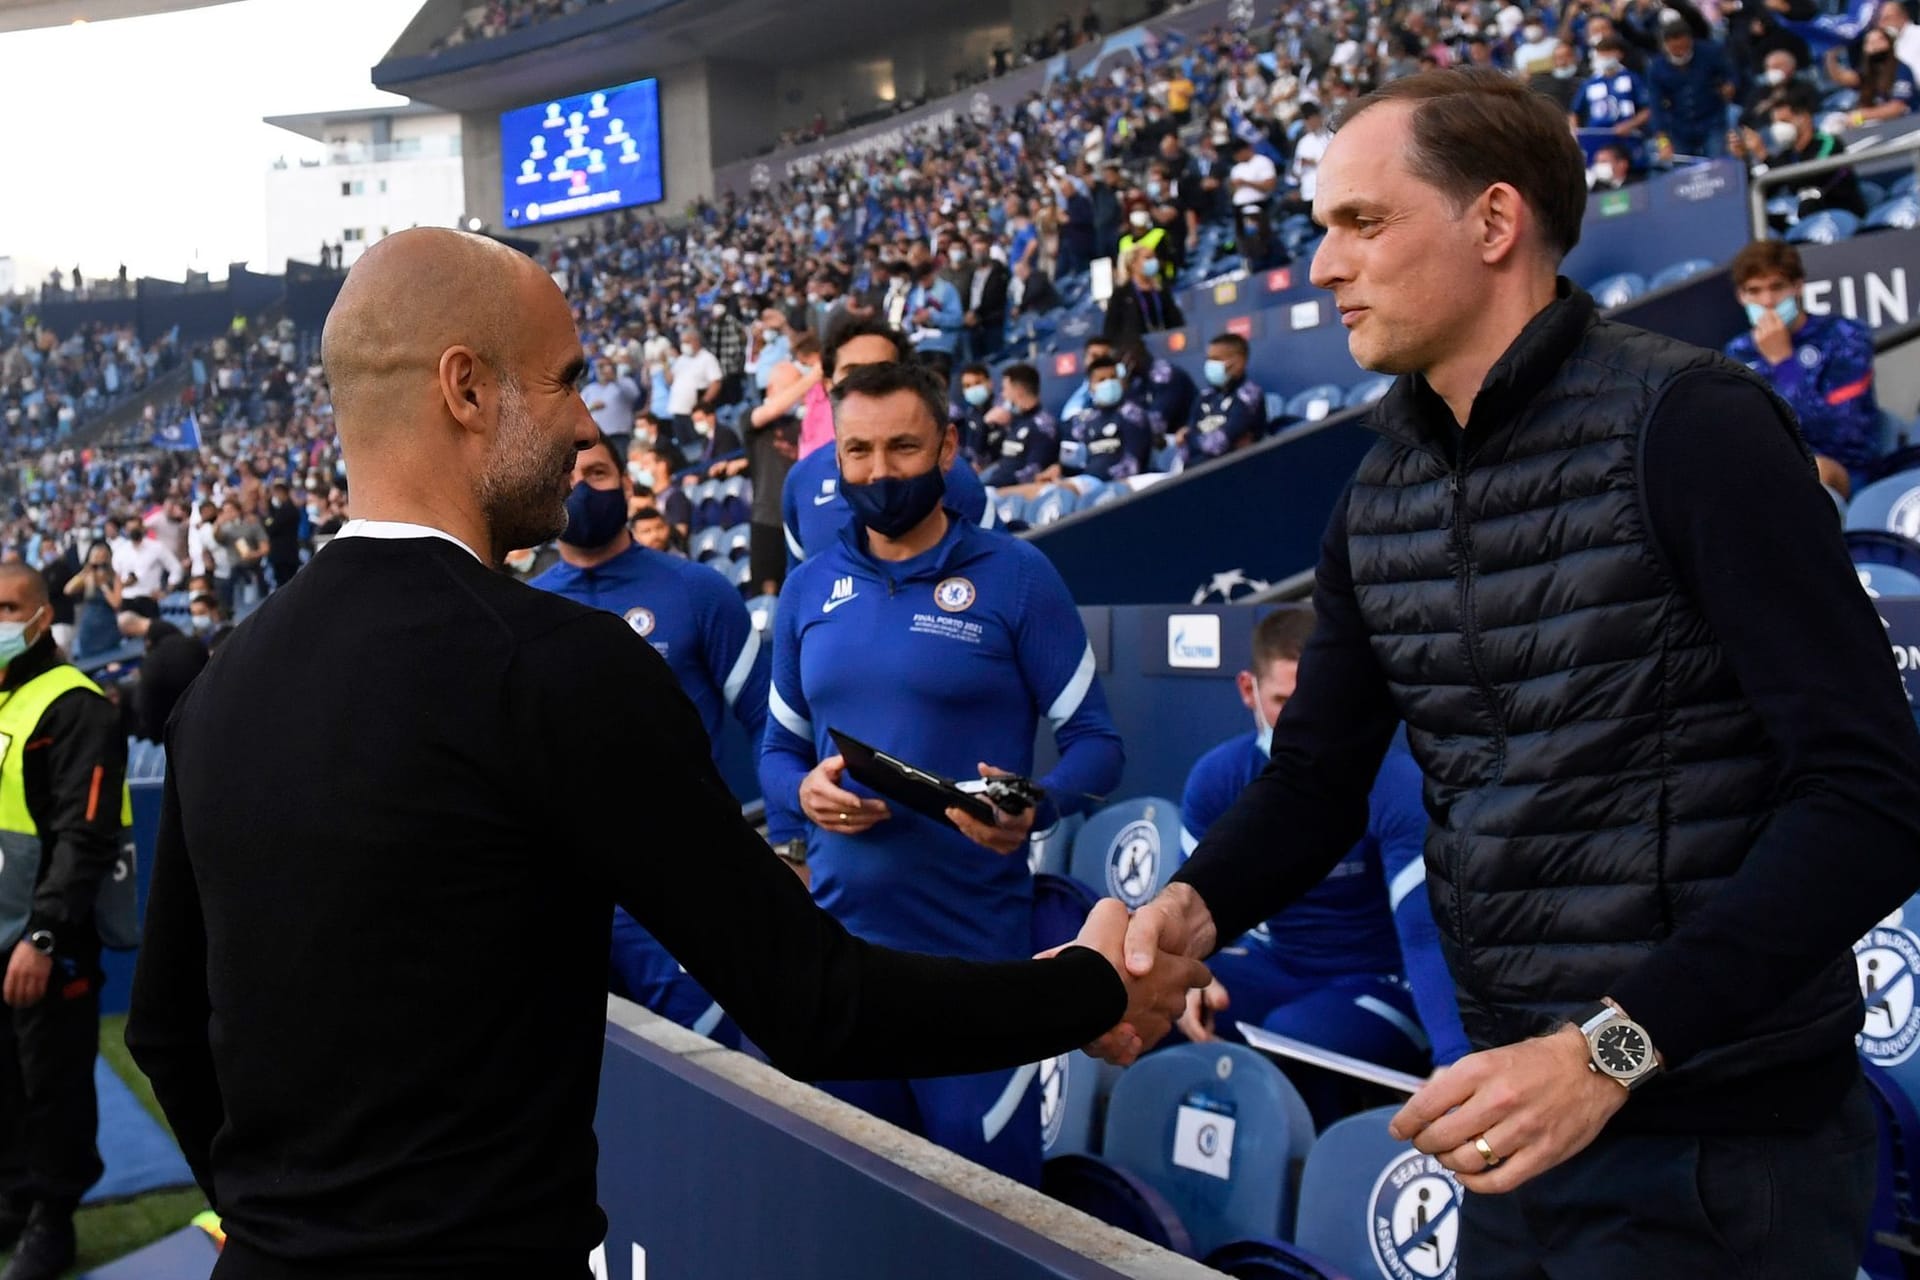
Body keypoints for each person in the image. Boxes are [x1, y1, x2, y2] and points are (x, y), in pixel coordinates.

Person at [124, 228, 1205, 1279]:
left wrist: (290, 1225)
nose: (586, 423)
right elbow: (811, 1001)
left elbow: (169, 1028)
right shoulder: (557, 665)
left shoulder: (226, 682)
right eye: (565, 381)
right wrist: (1081, 989)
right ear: (465, 389)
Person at [1100, 71, 1920, 1274]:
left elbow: (1871, 799)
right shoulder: (1378, 493)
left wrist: (1609, 1052)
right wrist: (1184, 911)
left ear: (1494, 222)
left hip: (1720, 1150)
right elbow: (1314, 781)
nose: (1325, 268)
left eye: (1362, 223)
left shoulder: (1694, 425)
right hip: (1509, 1125)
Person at [760, 358, 1126, 1186]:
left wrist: (1039, 804)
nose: (880, 472)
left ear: (949, 446)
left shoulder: (1018, 578)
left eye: (902, 448)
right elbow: (777, 755)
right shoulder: (811, 588)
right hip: (846, 969)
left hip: (980, 974)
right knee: (860, 1229)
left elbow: (1098, 744)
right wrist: (801, 794)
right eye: (858, 453)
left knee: (986, 1226)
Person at [1176, 608, 1469, 1123]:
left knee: (1295, 1037)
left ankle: (1314, 1187)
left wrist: (1454, 1058)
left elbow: (1425, 935)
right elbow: (1187, 910)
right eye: (1281, 701)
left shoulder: (1395, 785)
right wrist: (1185, 975)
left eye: (1311, 701)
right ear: (1248, 691)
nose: (1298, 721)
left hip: (1380, 983)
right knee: (1155, 1001)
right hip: (1279, 968)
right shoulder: (1218, 776)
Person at [531, 430, 770, 1047]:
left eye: (601, 476)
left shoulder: (697, 591)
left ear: (629, 486)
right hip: (564, 898)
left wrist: (791, 847)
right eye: (569, 473)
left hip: (682, 886)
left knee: (721, 1073)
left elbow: (771, 724)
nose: (583, 488)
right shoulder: (523, 607)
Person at [0, 565, 126, 1280]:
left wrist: (43, 935)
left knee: (52, 1084)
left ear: (42, 617)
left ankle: (53, 1221)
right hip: (0, 932)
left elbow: (86, 836)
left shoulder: (76, 706)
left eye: (7, 607)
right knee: (4, 1083)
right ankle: (14, 1197)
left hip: (49, 945)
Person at [780, 320, 993, 568]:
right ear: (828, 386)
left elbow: (997, 571)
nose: (868, 385)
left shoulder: (949, 471)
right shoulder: (801, 480)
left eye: (883, 371)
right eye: (852, 373)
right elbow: (802, 588)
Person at [1724, 239, 1881, 494]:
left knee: (1814, 471)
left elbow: (1842, 434)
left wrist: (1784, 364)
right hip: (1769, 470)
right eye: (1754, 290)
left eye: (1777, 287)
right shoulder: (1737, 352)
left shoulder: (1843, 335)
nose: (1767, 301)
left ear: (1797, 287)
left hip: (1843, 470)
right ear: (1741, 297)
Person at [745, 331, 815, 592]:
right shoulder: (754, 419)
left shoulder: (806, 422)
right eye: (792, 388)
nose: (799, 395)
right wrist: (811, 376)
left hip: (803, 515)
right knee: (767, 590)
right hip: (767, 516)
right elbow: (772, 410)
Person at [1739, 82, 1868, 221]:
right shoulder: (1789, 154)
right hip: (1809, 218)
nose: (1778, 128)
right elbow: (1766, 190)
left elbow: (1807, 176)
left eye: (1784, 121)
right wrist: (1743, 158)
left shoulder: (1829, 143)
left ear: (1804, 118)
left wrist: (1763, 155)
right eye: (1775, 123)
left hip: (1841, 214)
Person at [1045, 356, 1153, 484]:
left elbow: (1133, 463)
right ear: (1090, 387)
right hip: (1086, 482)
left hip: (1121, 484)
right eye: (1102, 380)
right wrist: (1058, 468)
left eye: (1113, 377)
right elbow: (1066, 455)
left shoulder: (1133, 415)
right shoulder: (1083, 420)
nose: (1109, 383)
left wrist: (1094, 482)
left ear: (1121, 381)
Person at [1646, 17, 1734, 156]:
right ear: (1666, 45)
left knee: (1718, 162)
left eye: (1683, 47)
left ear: (1690, 40)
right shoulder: (1656, 67)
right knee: (1681, 168)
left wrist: (1729, 85)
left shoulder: (1709, 52)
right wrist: (1663, 141)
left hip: (1712, 120)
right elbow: (1656, 105)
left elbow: (1731, 73)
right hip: (1679, 126)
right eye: (1675, 48)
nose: (1680, 51)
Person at [1183, 333, 1268, 466]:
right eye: (1208, 360)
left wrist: (1192, 439)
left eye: (1216, 359)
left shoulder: (1249, 395)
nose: (1210, 365)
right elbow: (1187, 443)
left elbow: (1218, 444)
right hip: (1197, 469)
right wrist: (1190, 439)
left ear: (1239, 362)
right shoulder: (1204, 397)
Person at [978, 364, 1061, 489]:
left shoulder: (1043, 426)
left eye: (1005, 389)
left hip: (1011, 492)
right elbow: (982, 456)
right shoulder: (1014, 421)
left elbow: (1033, 471)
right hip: (994, 482)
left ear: (1019, 391)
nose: (1003, 395)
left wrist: (992, 487)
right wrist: (984, 425)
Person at [130, 620, 207, 746]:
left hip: (170, 732)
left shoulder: (151, 664)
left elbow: (144, 706)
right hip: (204, 713)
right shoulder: (194, 644)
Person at [1826, 24, 1918, 125]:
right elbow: (1841, 77)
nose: (1875, 45)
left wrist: (1861, 115)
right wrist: (1831, 55)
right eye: (1870, 42)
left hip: (1909, 123)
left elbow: (1897, 108)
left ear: (1889, 43)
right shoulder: (1868, 72)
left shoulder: (1901, 69)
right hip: (1882, 126)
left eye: (1880, 40)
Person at [1102, 244, 1185, 341]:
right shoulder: (1122, 293)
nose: (1154, 261)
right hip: (1135, 349)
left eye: (1154, 257)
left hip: (1164, 344)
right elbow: (1111, 328)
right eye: (1148, 258)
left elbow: (1176, 321)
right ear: (1132, 263)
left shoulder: (1161, 290)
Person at [1571, 36, 1651, 135]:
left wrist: (1630, 125)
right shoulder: (1590, 82)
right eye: (1601, 52)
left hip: (1627, 135)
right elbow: (1574, 112)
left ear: (1619, 54)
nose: (1605, 56)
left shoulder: (1632, 78)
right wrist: (1575, 133)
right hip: (1596, 135)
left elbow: (1647, 110)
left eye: (1609, 52)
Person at [63, 544, 121, 661]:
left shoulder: (114, 577)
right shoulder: (87, 577)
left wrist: (103, 585)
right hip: (89, 627)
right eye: (96, 557)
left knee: (112, 661)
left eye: (102, 557)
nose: (99, 560)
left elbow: (116, 603)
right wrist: (84, 572)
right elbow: (68, 590)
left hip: (108, 627)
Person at [667, 328, 722, 448]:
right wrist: (667, 363)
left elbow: (716, 383)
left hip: (696, 413)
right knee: (685, 447)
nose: (684, 345)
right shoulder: (681, 360)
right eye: (682, 342)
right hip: (678, 411)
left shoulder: (707, 358)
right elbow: (670, 380)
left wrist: (702, 405)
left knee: (700, 445)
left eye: (687, 342)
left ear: (696, 341)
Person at [961, 232, 1010, 363]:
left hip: (991, 323)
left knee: (994, 360)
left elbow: (996, 299)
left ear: (988, 251)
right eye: (977, 250)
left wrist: (978, 315)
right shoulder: (970, 273)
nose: (980, 254)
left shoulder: (999, 272)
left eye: (983, 250)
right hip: (972, 325)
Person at [581, 358, 640, 459]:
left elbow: (633, 395)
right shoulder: (589, 389)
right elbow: (580, 411)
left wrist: (615, 380)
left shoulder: (624, 382)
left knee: (621, 463)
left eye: (605, 366)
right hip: (599, 438)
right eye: (600, 367)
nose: (603, 370)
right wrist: (592, 407)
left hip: (620, 435)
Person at [263, 482, 303, 589]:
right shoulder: (280, 510)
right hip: (281, 555)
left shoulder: (288, 510)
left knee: (285, 584)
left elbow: (271, 527)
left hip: (285, 555)